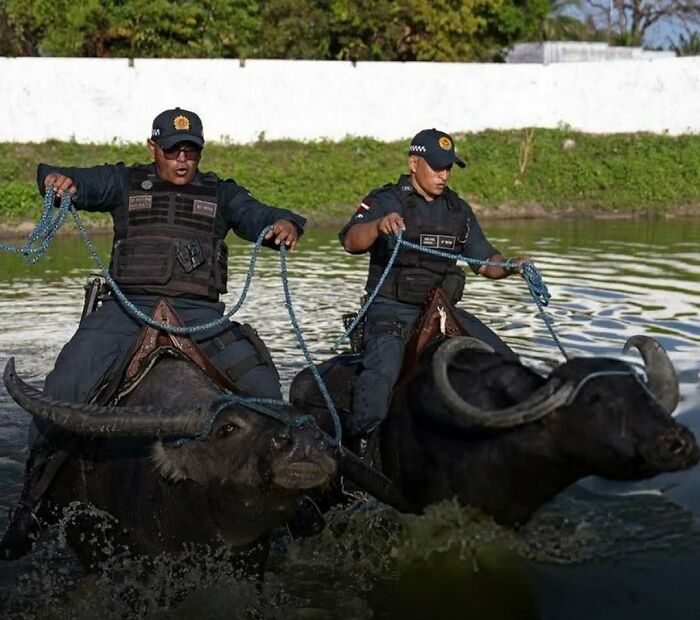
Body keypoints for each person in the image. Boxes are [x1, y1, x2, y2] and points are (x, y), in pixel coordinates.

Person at [1, 107, 310, 559]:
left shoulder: (221, 194)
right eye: (172, 150)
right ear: (154, 149)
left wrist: (284, 224)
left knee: (264, 389)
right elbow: (67, 178)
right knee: (64, 386)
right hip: (128, 310)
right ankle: (31, 505)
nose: (182, 159)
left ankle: (288, 501)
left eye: (190, 150)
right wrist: (57, 182)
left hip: (199, 315)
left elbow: (259, 215)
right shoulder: (124, 182)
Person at [339, 128, 532, 450]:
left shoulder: (458, 210)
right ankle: (363, 447)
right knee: (381, 375)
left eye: (448, 168)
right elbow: (350, 241)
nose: (444, 175)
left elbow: (485, 262)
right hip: (391, 310)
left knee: (506, 364)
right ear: (414, 163)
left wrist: (513, 266)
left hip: (442, 310)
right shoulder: (386, 199)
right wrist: (377, 226)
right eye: (437, 167)